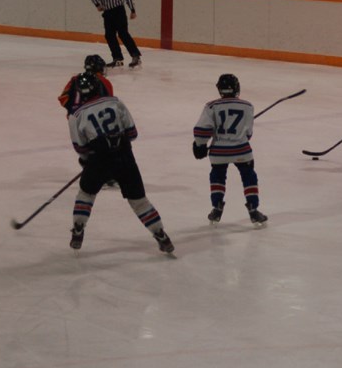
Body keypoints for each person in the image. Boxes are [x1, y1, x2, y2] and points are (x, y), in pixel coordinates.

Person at [67, 72, 174, 254]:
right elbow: (132, 133)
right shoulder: (115, 102)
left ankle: (78, 228)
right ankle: (160, 234)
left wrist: (88, 161)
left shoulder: (76, 115)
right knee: (139, 200)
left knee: (86, 194)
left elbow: (81, 147)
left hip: (98, 160)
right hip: (124, 157)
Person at [192, 74, 268, 228]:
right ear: (237, 88)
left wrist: (199, 145)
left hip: (218, 152)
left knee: (217, 176)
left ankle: (217, 207)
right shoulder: (248, 106)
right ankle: (253, 209)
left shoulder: (211, 106)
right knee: (249, 176)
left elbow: (202, 129)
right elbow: (248, 134)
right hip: (241, 150)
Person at [91, 0, 142, 69]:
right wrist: (97, 5)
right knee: (109, 35)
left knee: (123, 33)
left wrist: (132, 10)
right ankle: (117, 58)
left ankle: (135, 56)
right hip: (108, 12)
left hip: (118, 11)